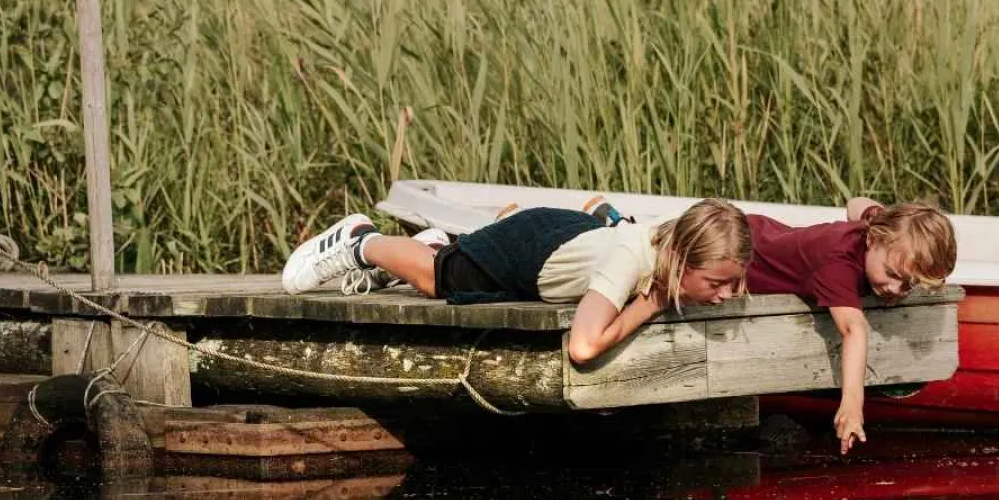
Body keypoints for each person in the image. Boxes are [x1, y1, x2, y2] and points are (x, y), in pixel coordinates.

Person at [281, 199, 752, 365]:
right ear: (682, 258)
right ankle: (359, 241)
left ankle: (439, 240)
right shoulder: (630, 260)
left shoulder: (674, 246)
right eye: (717, 283)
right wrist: (648, 307)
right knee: (438, 277)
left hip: (571, 237)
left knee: (452, 259)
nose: (727, 295)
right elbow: (583, 347)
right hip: (530, 251)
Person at [743, 198, 957, 453]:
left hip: (767, 232)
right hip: (745, 251)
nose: (895, 290)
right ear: (872, 239)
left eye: (908, 285)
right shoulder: (837, 264)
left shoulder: (877, 227)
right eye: (893, 274)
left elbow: (855, 203)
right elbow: (853, 328)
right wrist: (853, 404)